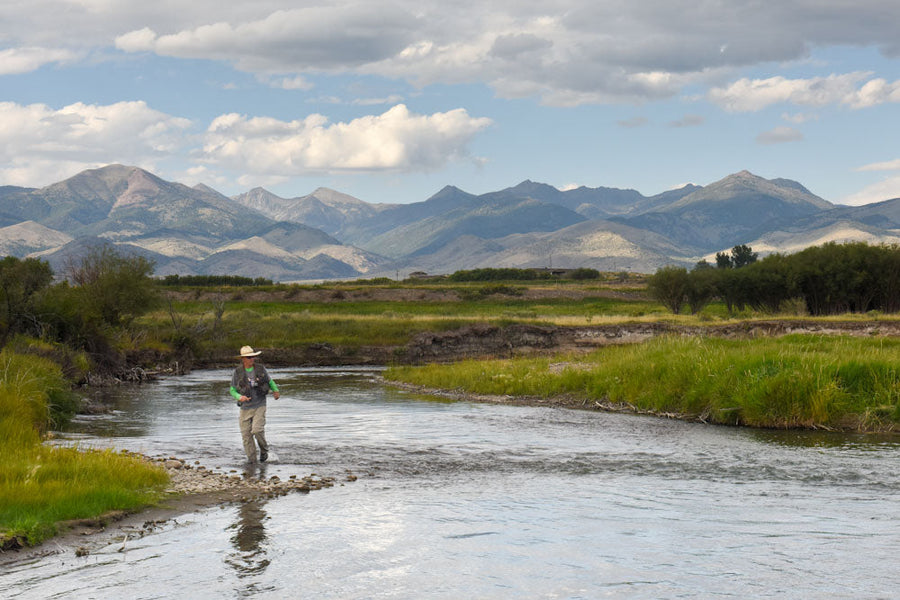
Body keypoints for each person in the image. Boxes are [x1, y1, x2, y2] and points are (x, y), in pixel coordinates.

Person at [230, 345, 280, 463]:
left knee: (257, 430)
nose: (251, 359)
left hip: (260, 405)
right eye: (248, 357)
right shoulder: (237, 372)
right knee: (246, 437)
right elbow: (232, 390)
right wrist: (239, 397)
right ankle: (252, 462)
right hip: (245, 408)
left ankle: (264, 450)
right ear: (243, 359)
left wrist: (276, 390)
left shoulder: (260, 369)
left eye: (252, 357)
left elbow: (270, 381)